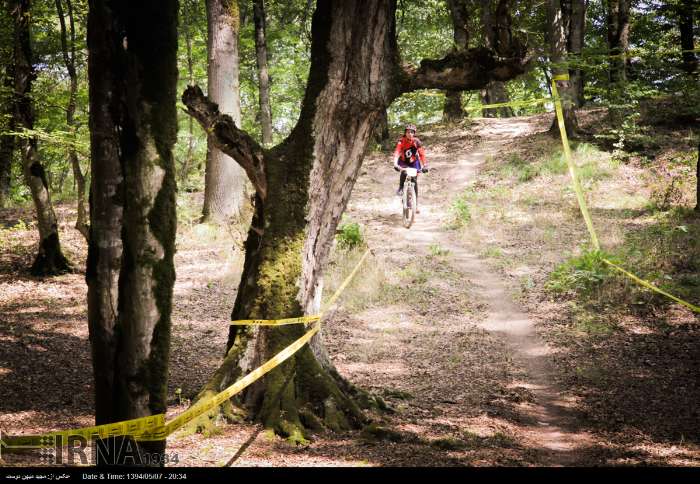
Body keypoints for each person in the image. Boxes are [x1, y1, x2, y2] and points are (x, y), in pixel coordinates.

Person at [392, 123, 429, 213]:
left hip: (414, 162)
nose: (410, 134)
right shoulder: (401, 141)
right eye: (408, 132)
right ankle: (401, 188)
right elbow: (397, 152)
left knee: (415, 182)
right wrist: (395, 163)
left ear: (414, 133)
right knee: (404, 172)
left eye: (412, 132)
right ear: (405, 133)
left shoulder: (416, 142)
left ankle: (415, 205)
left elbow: (422, 154)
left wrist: (424, 165)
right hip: (404, 161)